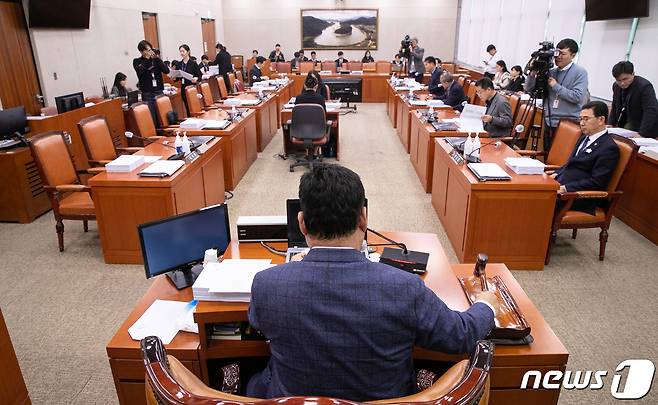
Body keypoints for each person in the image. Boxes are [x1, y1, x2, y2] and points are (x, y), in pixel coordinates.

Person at [246, 163, 497, 400]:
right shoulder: (404, 288)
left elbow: (257, 323)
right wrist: (486, 304)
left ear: (302, 223)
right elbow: (460, 335)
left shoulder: (267, 284)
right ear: (363, 219)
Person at [552, 101, 620, 215]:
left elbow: (597, 182)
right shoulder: (584, 138)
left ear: (601, 120)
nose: (582, 123)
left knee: (542, 200)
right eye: (580, 119)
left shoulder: (608, 148)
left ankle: (543, 231)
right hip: (563, 185)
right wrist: (556, 173)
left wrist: (566, 188)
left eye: (586, 119)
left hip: (579, 196)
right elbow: (571, 164)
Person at [525, 38, 588, 151]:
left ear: (573, 55)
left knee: (561, 158)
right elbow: (530, 89)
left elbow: (577, 97)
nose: (558, 57)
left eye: (563, 54)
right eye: (557, 53)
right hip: (549, 122)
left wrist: (555, 86)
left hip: (568, 124)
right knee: (547, 153)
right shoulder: (551, 71)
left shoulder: (580, 72)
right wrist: (532, 73)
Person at [609, 61, 658, 137]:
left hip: (647, 124)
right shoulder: (616, 86)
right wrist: (610, 124)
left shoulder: (644, 86)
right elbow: (615, 105)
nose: (622, 83)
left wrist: (642, 133)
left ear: (633, 74)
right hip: (629, 119)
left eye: (625, 79)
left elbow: (650, 111)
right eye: (618, 80)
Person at [132, 40, 169, 120]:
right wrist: (147, 59)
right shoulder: (137, 61)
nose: (151, 52)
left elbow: (166, 71)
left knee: (163, 116)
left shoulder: (155, 60)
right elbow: (140, 71)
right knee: (152, 117)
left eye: (151, 49)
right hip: (147, 93)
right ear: (142, 51)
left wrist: (157, 59)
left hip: (158, 91)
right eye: (148, 50)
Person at [177, 44, 202, 114]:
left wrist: (196, 78)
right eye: (180, 51)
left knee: (193, 107)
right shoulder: (179, 64)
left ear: (188, 52)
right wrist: (174, 76)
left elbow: (200, 76)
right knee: (187, 107)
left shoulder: (193, 63)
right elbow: (177, 77)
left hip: (191, 87)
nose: (181, 53)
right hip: (183, 87)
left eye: (183, 51)